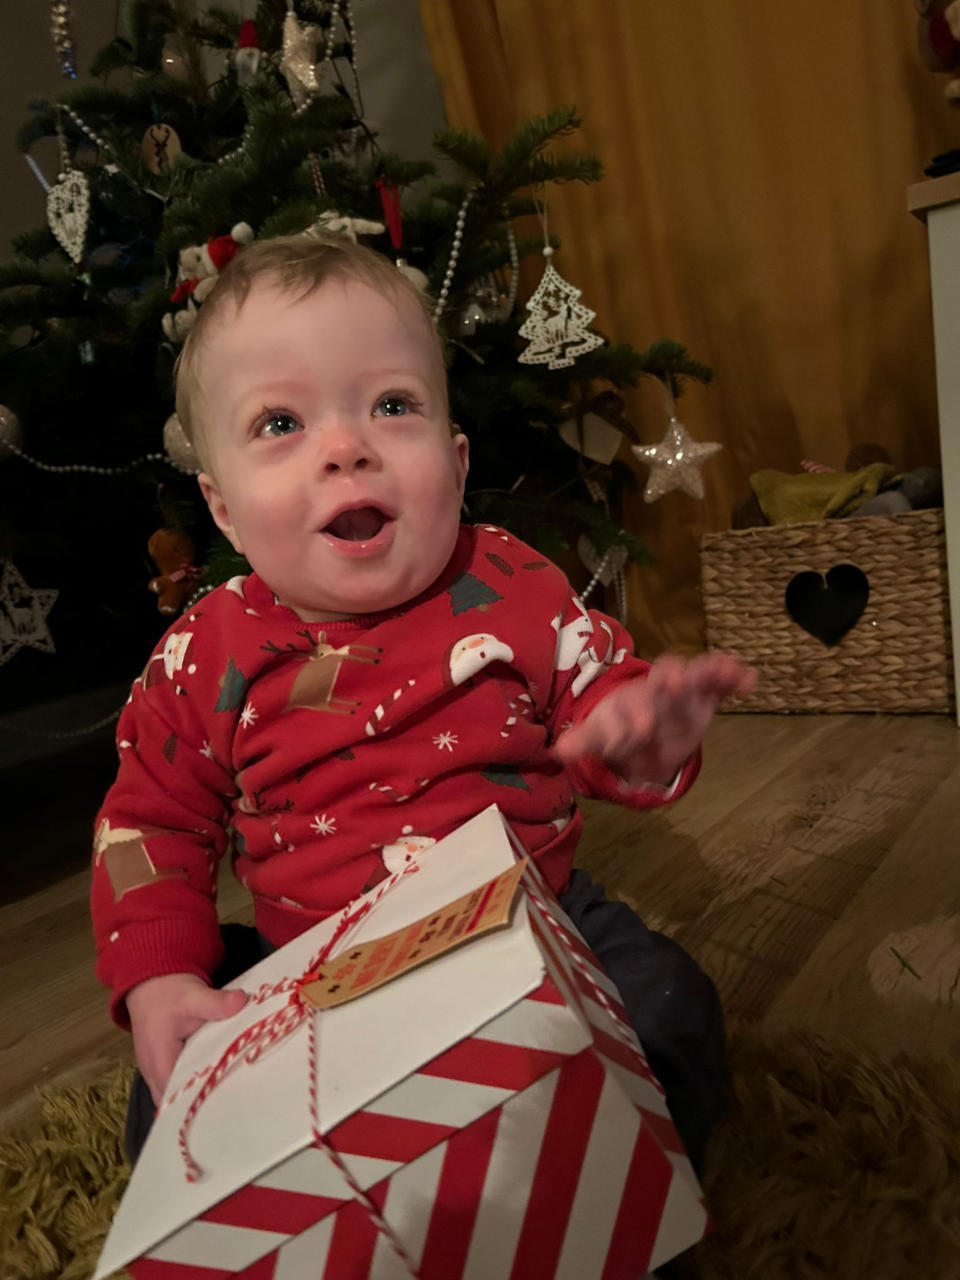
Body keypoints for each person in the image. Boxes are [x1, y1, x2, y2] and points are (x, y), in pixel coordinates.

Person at [91, 234, 755, 1191]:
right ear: (222, 508)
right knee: (177, 1106)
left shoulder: (510, 579)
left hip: (534, 926)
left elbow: (599, 682)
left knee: (671, 1013)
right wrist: (161, 979)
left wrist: (641, 728)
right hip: (311, 969)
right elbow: (150, 820)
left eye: (391, 406)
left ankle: (600, 1205)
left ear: (455, 459)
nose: (346, 446)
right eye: (279, 423)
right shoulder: (208, 648)